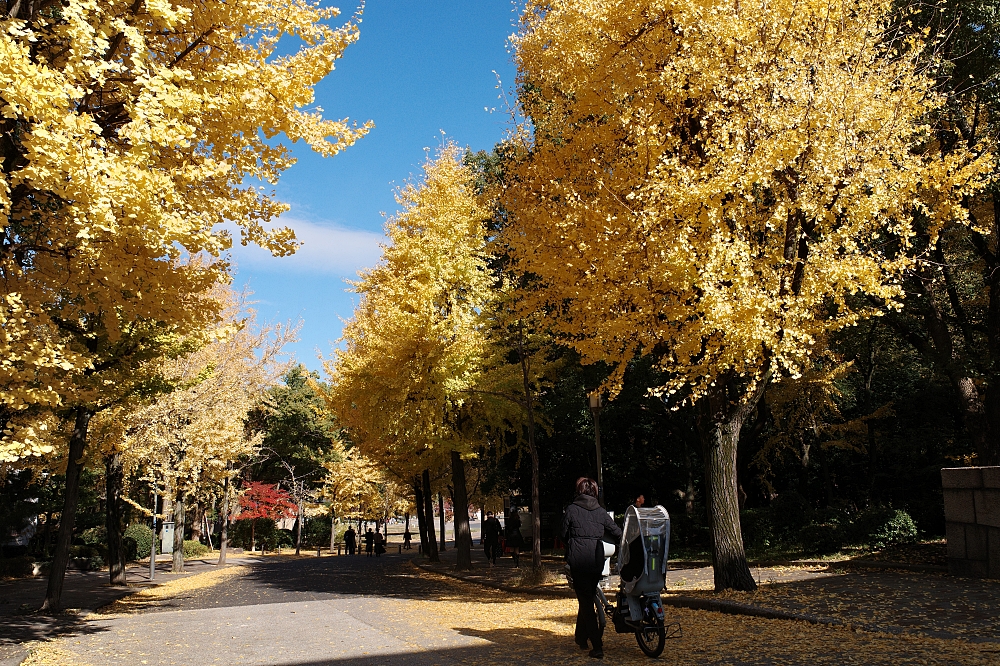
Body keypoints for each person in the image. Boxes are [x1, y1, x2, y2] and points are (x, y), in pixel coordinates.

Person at [562, 477, 621, 660]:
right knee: (586, 597)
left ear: (579, 491)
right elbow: (618, 533)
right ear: (595, 491)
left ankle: (597, 646)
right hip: (596, 560)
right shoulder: (600, 512)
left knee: (586, 601)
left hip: (578, 560)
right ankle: (581, 638)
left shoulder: (571, 510)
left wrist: (572, 543)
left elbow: (562, 534)